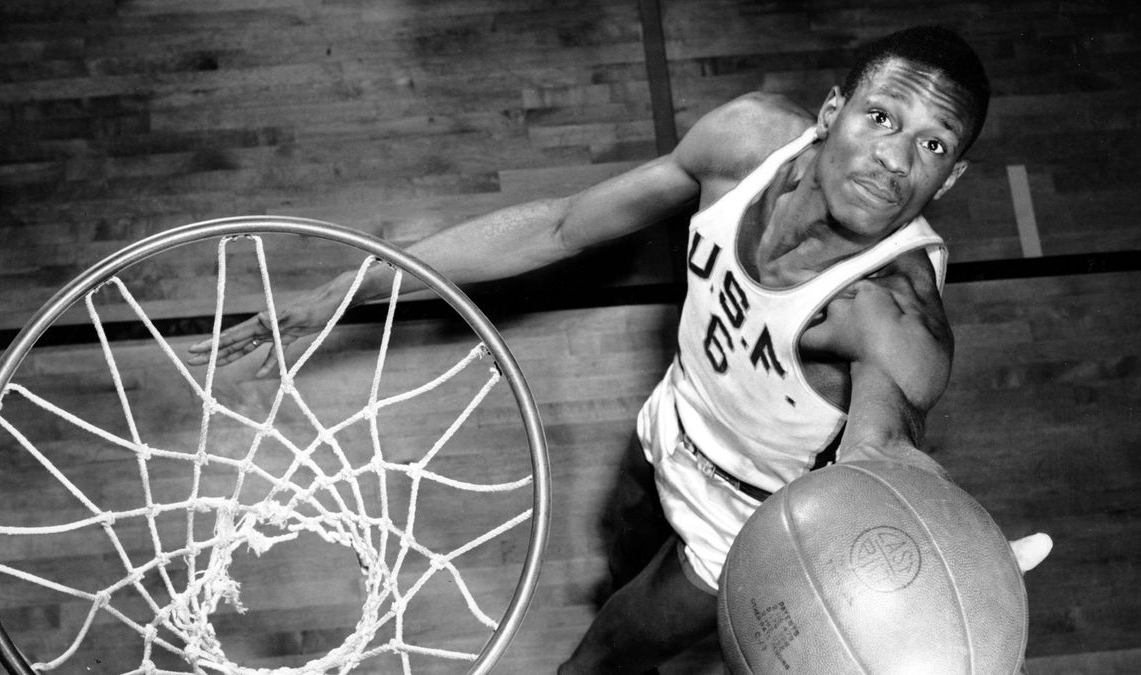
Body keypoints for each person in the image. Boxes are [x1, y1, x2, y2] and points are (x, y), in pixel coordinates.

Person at [188, 25, 1052, 673]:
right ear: (833, 111)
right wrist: (363, 283)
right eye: (881, 117)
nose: (895, 157)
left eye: (932, 147)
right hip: (674, 417)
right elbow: (564, 224)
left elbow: (884, 449)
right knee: (622, 535)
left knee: (600, 658)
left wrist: (950, 549)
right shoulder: (744, 141)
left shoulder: (891, 312)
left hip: (745, 519)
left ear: (952, 177)